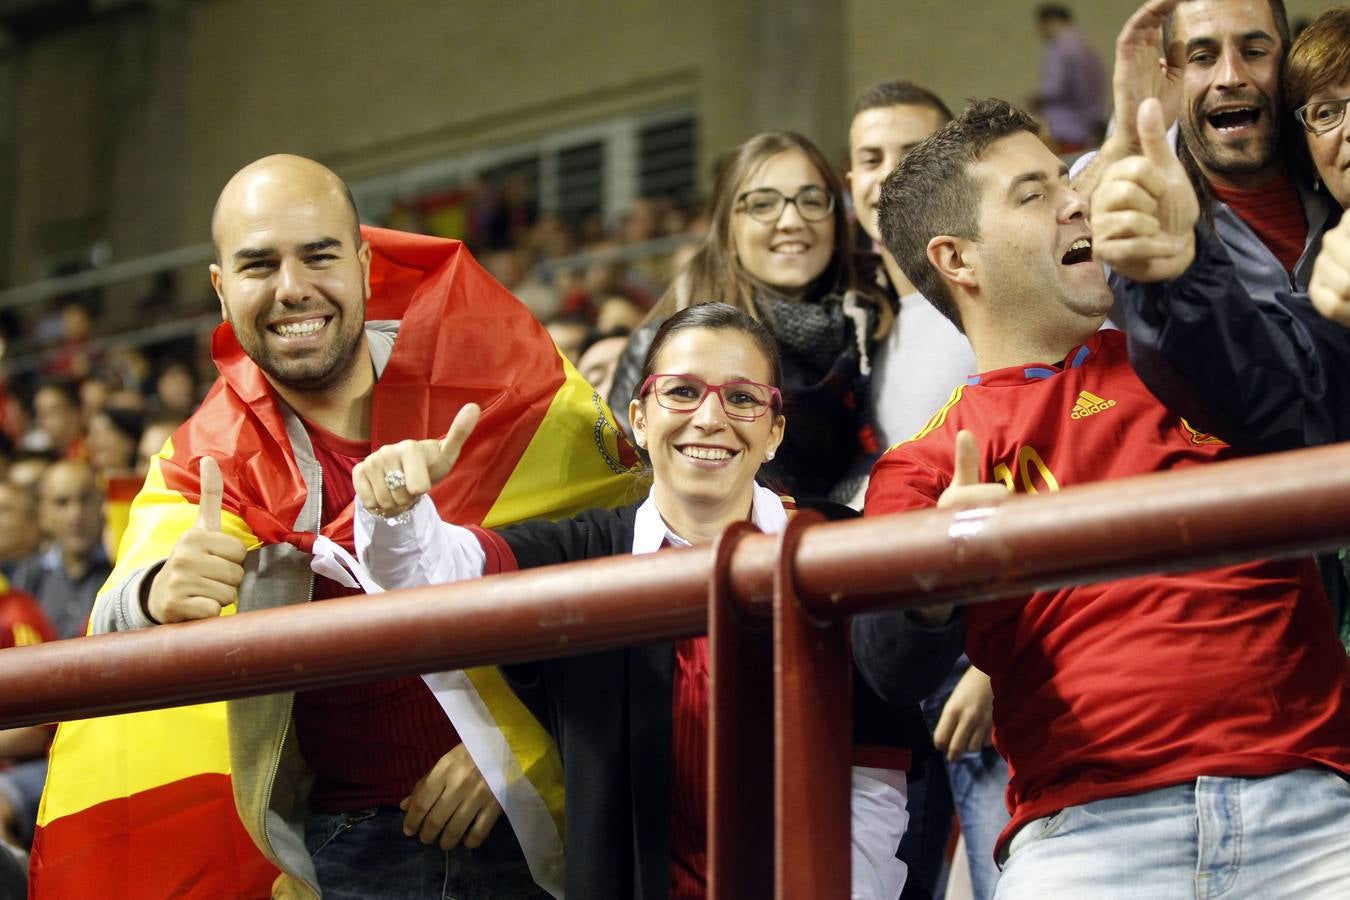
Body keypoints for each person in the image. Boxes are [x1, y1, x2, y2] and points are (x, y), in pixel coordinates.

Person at [32, 154, 639, 899]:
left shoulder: (501, 381)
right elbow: (118, 615)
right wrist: (159, 594)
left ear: (362, 264)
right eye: (259, 265)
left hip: (555, 817)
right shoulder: (201, 459)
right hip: (347, 856)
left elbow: (630, 559)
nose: (292, 289)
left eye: (318, 256)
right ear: (222, 290)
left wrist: (521, 747)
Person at [854, 97, 1350, 898]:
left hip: (1316, 809)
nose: (1076, 199)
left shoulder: (1194, 352)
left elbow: (1312, 392)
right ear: (958, 258)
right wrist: (930, 580)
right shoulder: (929, 464)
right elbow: (888, 662)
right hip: (1087, 837)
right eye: (1033, 192)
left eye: (1067, 179)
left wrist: (1188, 263)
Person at [355, 303, 936, 900]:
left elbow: (874, 773)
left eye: (741, 399)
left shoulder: (836, 543)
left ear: (774, 433)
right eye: (682, 392)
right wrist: (394, 507)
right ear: (638, 418)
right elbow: (430, 574)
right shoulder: (584, 553)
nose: (710, 418)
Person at [847, 78, 1006, 900]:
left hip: (996, 663)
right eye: (869, 159)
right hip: (904, 658)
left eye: (913, 154)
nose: (887, 175)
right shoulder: (867, 330)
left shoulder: (1000, 307)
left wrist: (987, 661)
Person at [608, 132, 889, 504]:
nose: (791, 220)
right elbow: (628, 496)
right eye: (763, 204)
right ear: (727, 225)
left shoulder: (877, 330)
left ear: (837, 220)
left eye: (812, 200)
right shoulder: (658, 348)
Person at [1072, 0, 1337, 304]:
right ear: (1170, 73)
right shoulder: (1131, 188)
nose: (1229, 77)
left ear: (1288, 63)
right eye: (1202, 57)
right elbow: (1044, 259)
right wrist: (1127, 142)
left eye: (1254, 52)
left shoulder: (1332, 170)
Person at [1031, 5, 1108, 152]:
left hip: (1066, 128)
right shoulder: (1085, 44)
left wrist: (1036, 101)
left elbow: (1054, 88)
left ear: (1049, 22)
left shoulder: (1059, 47)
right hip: (1090, 125)